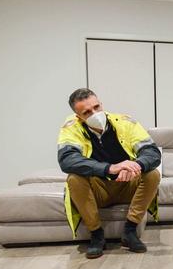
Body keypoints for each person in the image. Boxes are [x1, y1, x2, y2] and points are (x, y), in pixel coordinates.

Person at [58, 88, 161, 259]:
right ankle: (97, 235)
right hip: (99, 190)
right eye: (87, 112)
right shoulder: (71, 128)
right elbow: (67, 160)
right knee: (74, 179)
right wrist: (110, 168)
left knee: (153, 174)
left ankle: (130, 231)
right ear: (78, 116)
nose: (95, 113)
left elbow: (152, 152)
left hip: (127, 185)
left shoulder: (125, 122)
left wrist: (136, 165)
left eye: (97, 107)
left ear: (101, 104)